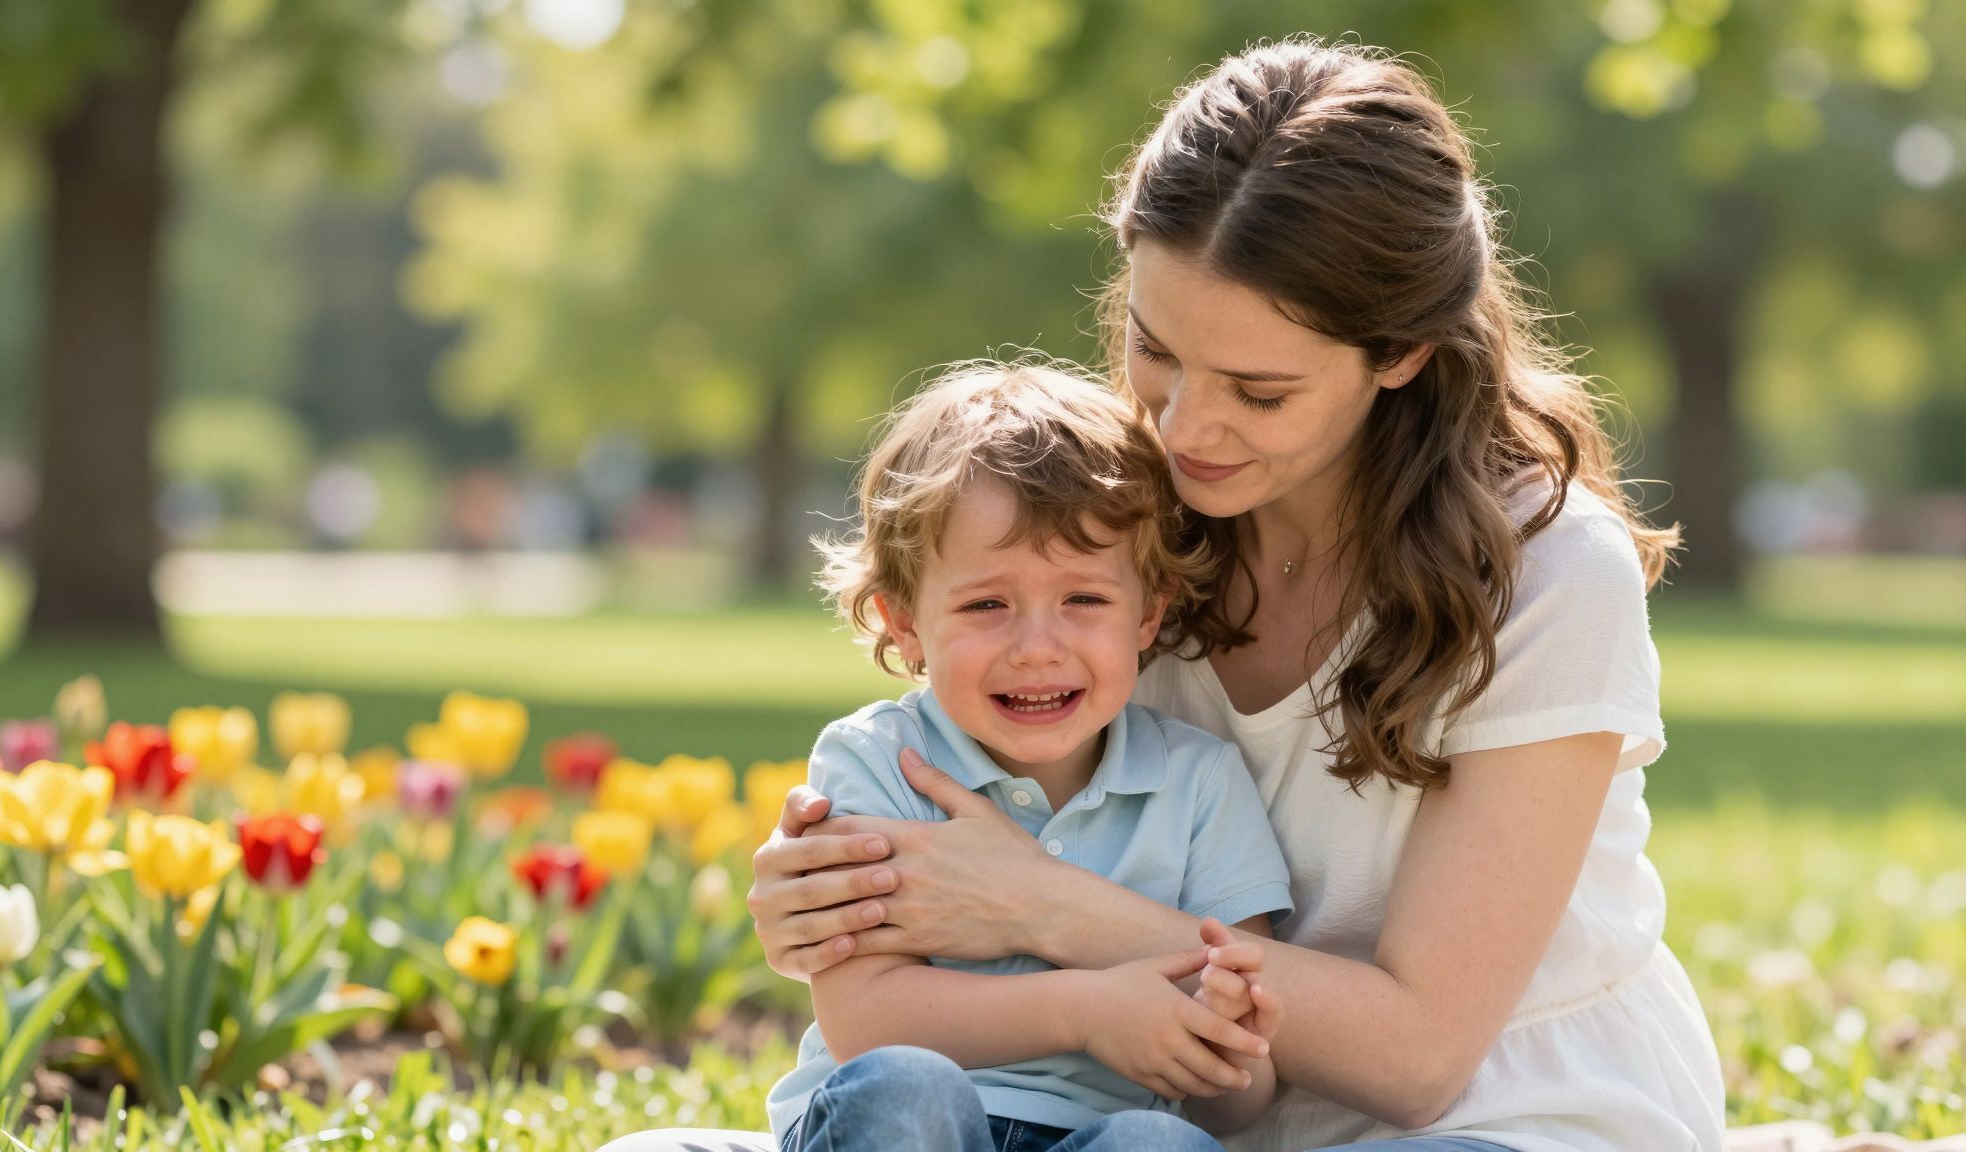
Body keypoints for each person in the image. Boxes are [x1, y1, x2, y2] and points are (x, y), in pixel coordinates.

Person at [615, 35, 1725, 1152]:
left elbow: (1417, 1059)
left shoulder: (1544, 569)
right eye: (1156, 349)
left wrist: (1036, 902)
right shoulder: (1120, 521)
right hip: (1182, 1118)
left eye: (1259, 391)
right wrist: (826, 901)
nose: (1186, 426)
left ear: (1400, 354)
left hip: (1500, 1113)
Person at [766, 360, 1297, 1152]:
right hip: (913, 1127)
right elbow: (866, 1018)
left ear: (1148, 614)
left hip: (1094, 1136)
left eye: (1084, 599)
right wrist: (1086, 1010)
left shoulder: (1200, 783)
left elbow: (1242, 1102)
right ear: (904, 622)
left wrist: (1225, 1042)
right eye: (987, 604)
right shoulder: (878, 760)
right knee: (909, 1089)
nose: (1038, 648)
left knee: (1160, 1144)